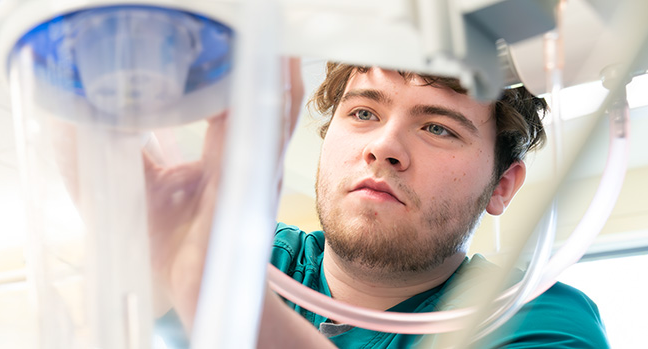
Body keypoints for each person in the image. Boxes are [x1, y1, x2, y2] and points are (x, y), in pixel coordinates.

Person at [151, 61, 609, 348]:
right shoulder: (257, 257)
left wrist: (214, 294)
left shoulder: (529, 318)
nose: (384, 146)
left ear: (501, 186)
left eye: (437, 128)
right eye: (364, 113)